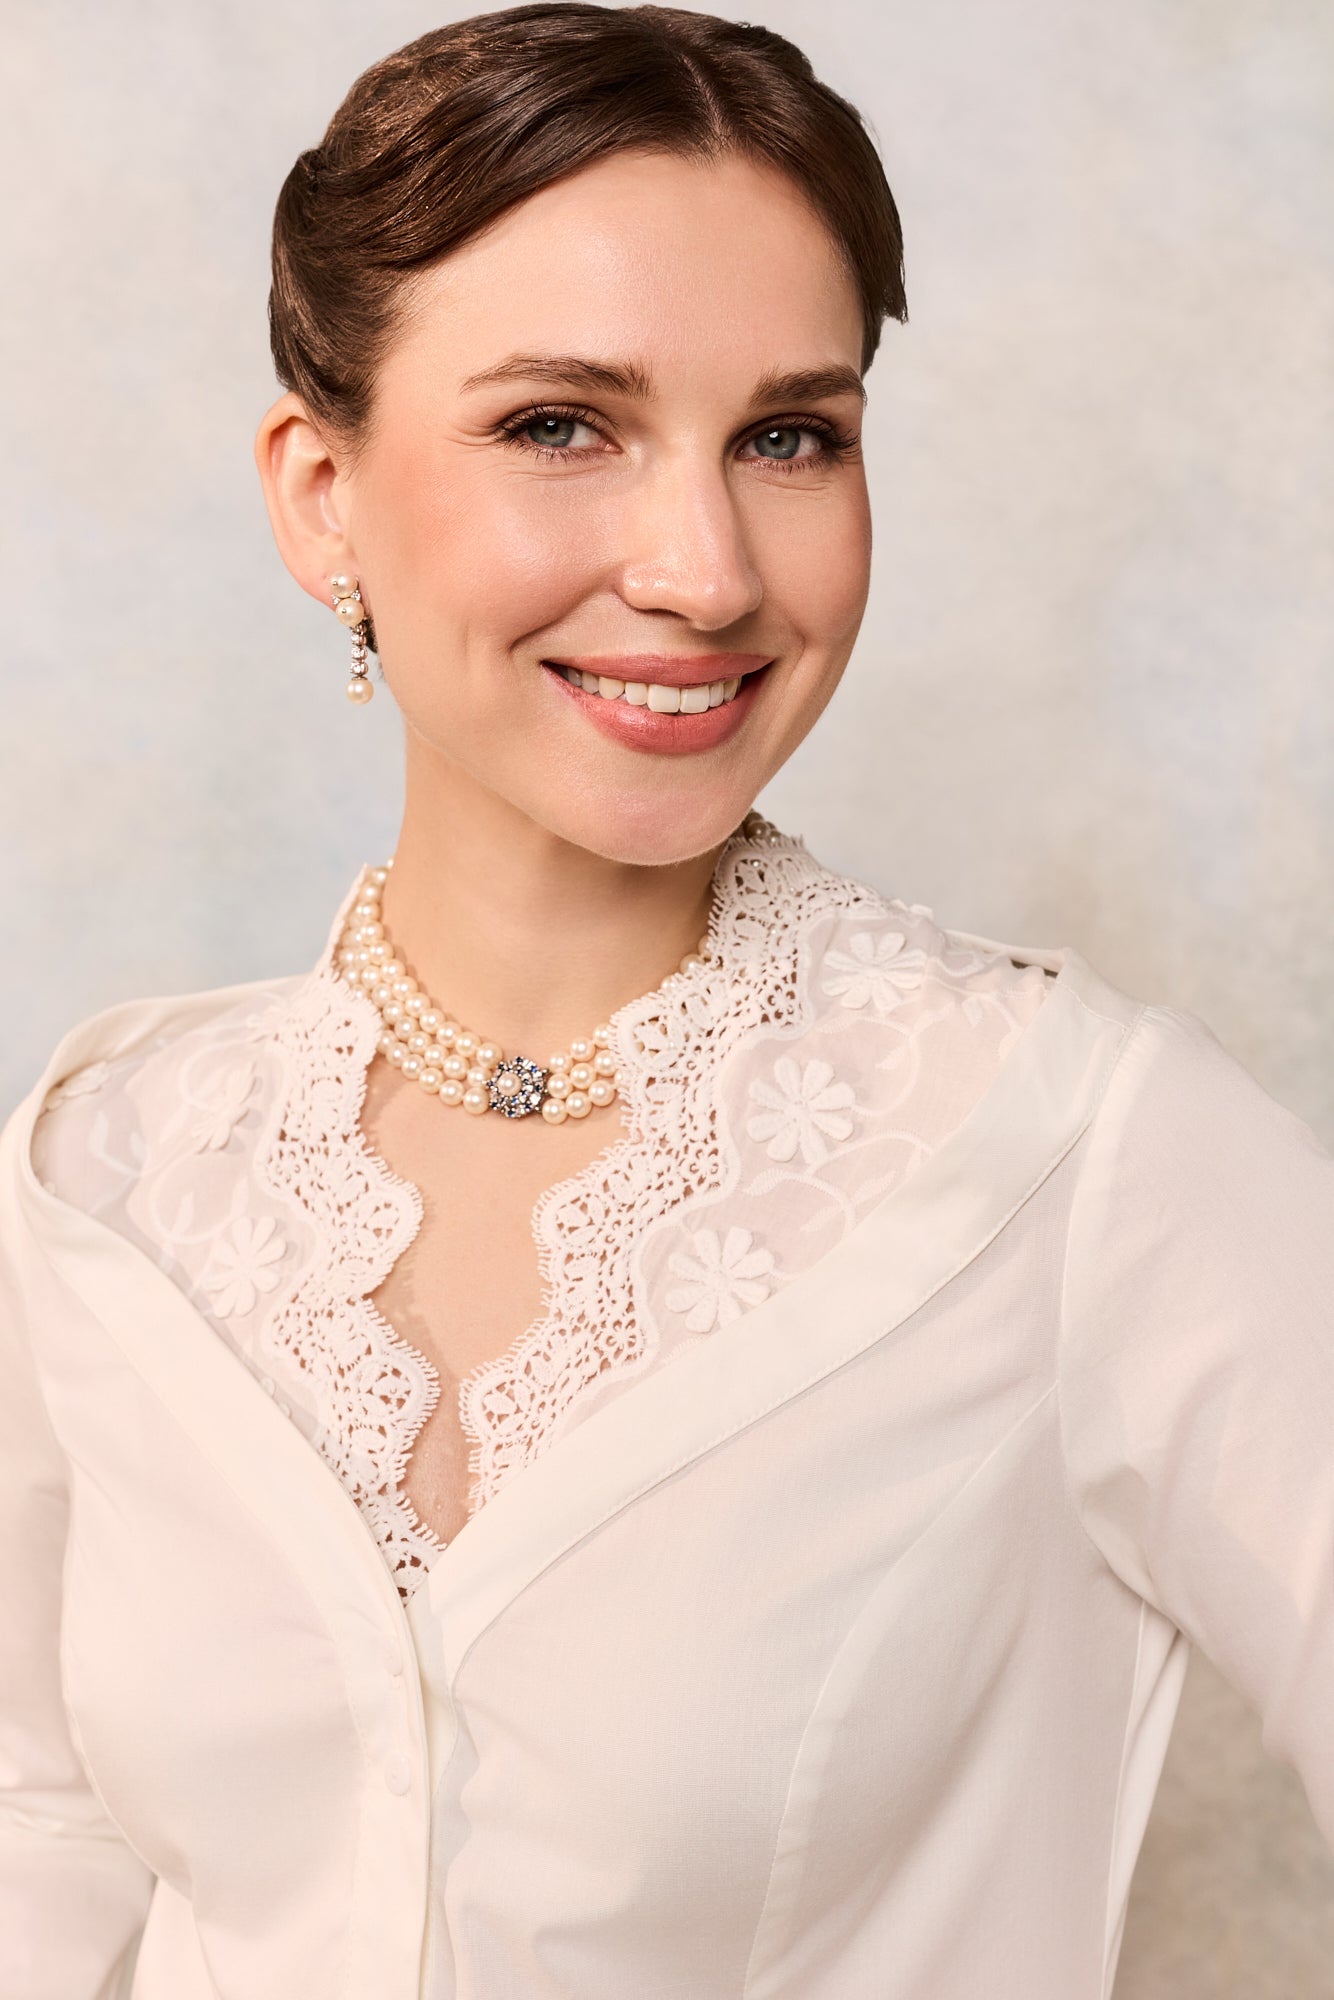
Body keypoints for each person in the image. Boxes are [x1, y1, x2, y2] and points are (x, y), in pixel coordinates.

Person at [2, 6, 1331, 1996]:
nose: (706, 571)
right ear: (320, 493)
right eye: (562, 424)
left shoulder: (1079, 1159)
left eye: (790, 436)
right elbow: (44, 1838)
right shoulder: (105, 1175)